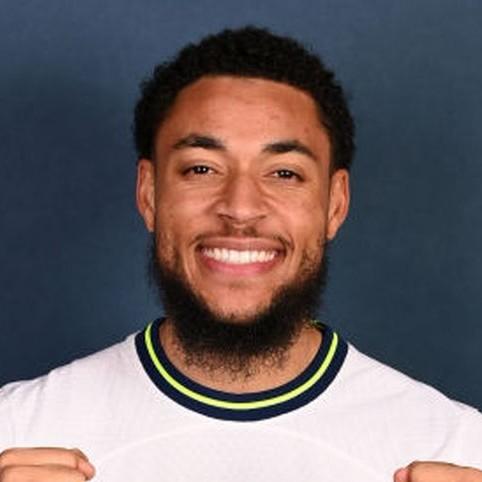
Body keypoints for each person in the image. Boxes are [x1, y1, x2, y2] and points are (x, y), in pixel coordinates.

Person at [0, 26, 480, 482]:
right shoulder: (19, 430)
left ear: (335, 204)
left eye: (284, 173)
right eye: (202, 168)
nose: (241, 208)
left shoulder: (457, 447)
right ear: (149, 193)